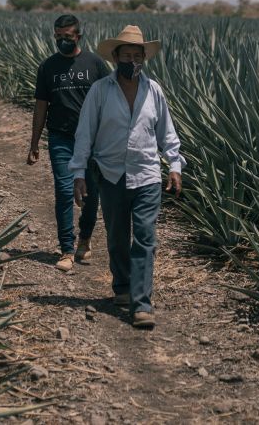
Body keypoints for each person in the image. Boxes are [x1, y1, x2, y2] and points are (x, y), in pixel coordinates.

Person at [69, 25, 183, 329]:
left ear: (144, 57)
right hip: (111, 174)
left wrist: (174, 165)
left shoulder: (154, 90)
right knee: (118, 236)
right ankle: (122, 286)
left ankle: (142, 303)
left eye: (137, 55)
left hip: (146, 174)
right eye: (126, 55)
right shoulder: (100, 91)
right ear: (116, 57)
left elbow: (167, 133)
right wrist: (78, 173)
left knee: (145, 237)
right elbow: (85, 133)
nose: (132, 60)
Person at [27, 14, 110, 271]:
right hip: (60, 137)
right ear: (55, 36)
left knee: (91, 193)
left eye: (68, 36)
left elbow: (109, 100)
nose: (63, 40)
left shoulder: (95, 63)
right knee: (64, 191)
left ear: (78, 36)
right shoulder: (47, 67)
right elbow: (41, 107)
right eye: (59, 36)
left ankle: (85, 239)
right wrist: (33, 143)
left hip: (93, 140)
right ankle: (66, 248)